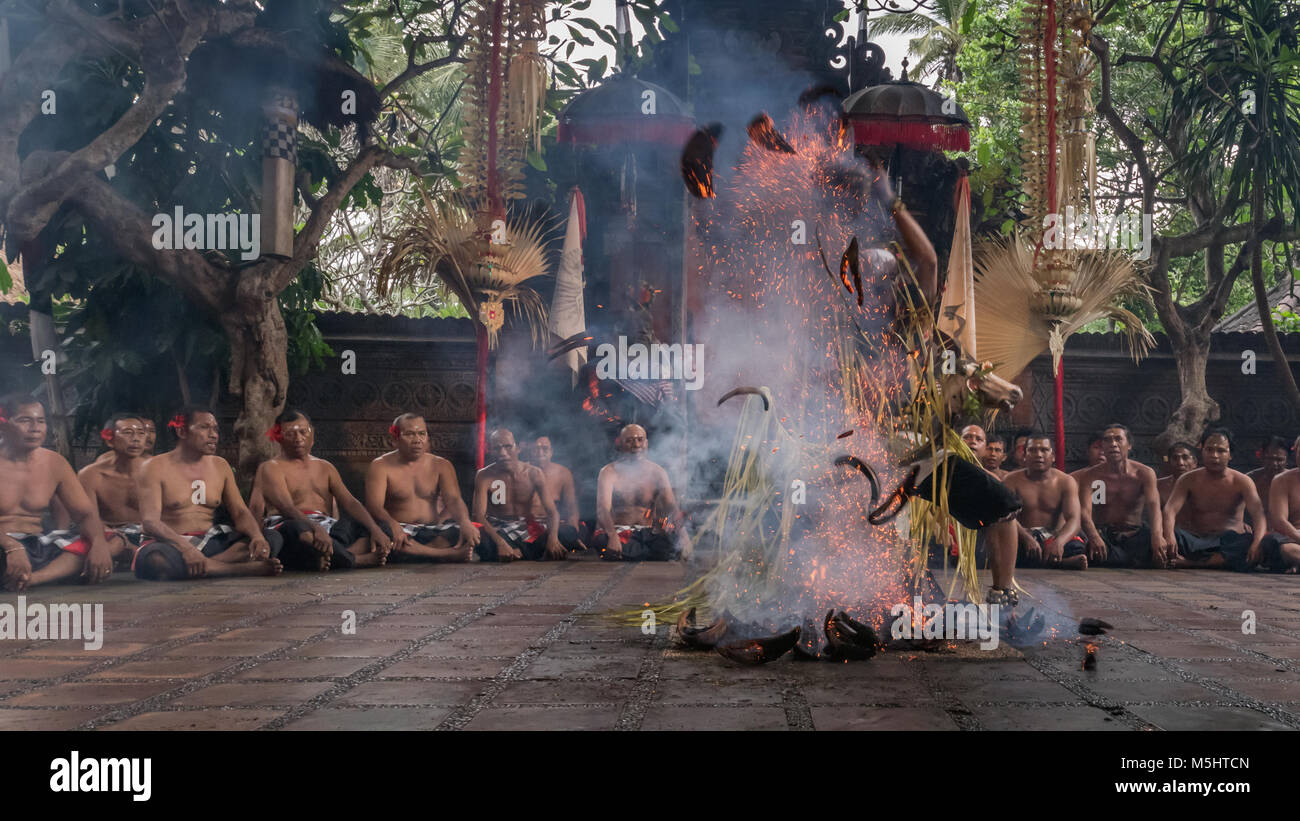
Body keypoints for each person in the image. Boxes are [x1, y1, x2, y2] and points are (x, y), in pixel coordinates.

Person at [133, 408, 281, 580]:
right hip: (171, 543)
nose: (214, 435)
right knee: (156, 561)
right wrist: (187, 549)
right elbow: (151, 522)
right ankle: (234, 569)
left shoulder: (220, 465)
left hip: (211, 541)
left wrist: (257, 537)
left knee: (272, 537)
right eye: (204, 428)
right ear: (181, 431)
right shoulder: (153, 467)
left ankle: (205, 566)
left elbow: (240, 512)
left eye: (215, 429)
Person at [250, 409, 393, 570]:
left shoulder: (326, 467)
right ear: (279, 437)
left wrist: (374, 529)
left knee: (382, 528)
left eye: (303, 432)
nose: (298, 439)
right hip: (293, 525)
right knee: (301, 532)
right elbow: (287, 507)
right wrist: (315, 528)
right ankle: (355, 560)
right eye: (290, 434)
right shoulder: (271, 467)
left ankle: (333, 556)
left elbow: (350, 502)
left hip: (328, 529)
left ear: (312, 433)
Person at [0, 395, 117, 590]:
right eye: (24, 420)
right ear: (3, 425)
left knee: (110, 540)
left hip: (37, 546)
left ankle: (33, 579)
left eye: (40, 421)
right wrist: (12, 545)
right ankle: (30, 575)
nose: (35, 428)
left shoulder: (54, 462)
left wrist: (98, 544)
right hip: (3, 546)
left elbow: (84, 514)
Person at [364, 413, 480, 562]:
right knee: (379, 536)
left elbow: (453, 499)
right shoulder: (380, 465)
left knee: (470, 532)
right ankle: (447, 554)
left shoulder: (441, 465)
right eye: (410, 434)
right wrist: (393, 525)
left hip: (432, 529)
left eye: (422, 434)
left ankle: (418, 553)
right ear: (395, 439)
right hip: (399, 529)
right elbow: (374, 506)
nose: (417, 440)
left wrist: (465, 522)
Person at [1163, 428, 1267, 571]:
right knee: (1155, 534)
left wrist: (1257, 542)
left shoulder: (1243, 481)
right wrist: (1169, 535)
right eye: (1209, 450)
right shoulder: (1188, 479)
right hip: (1195, 541)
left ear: (1230, 454)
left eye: (1221, 451)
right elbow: (1170, 510)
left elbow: (1258, 515)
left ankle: (1193, 564)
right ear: (1202, 451)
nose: (1214, 456)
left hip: (1229, 543)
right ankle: (1204, 560)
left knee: (1251, 542)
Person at [1074, 423, 1168, 567]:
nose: (1113, 444)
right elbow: (1084, 512)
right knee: (1078, 545)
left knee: (1173, 540)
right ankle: (1131, 559)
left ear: (1129, 445)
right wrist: (1094, 537)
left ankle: (1126, 558)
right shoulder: (1090, 475)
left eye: (1118, 439)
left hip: (1135, 534)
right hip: (1105, 535)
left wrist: (1156, 536)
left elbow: (1154, 508)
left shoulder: (1144, 473)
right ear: (1103, 446)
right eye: (1107, 440)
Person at [593, 425, 690, 561]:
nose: (636, 444)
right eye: (630, 440)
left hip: (647, 533)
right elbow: (603, 510)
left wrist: (683, 534)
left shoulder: (657, 472)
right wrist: (613, 536)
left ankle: (641, 552)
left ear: (646, 443)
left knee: (673, 543)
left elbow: (671, 506)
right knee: (603, 541)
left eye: (640, 439)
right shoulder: (608, 472)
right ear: (620, 444)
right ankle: (641, 552)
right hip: (618, 531)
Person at [472, 429, 565, 562]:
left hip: (527, 527)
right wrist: (500, 543)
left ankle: (514, 552)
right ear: (491, 450)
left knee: (568, 534)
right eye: (497, 448)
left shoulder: (534, 473)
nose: (503, 453)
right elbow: (478, 516)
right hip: (498, 528)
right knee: (479, 539)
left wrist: (553, 538)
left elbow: (552, 512)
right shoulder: (484, 475)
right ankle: (522, 551)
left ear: (518, 448)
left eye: (508, 447)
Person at [76, 413, 150, 567]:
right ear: (110, 440)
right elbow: (89, 518)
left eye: (141, 433)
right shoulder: (90, 475)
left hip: (148, 533)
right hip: (108, 534)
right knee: (91, 546)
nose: (135, 438)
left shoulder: (155, 470)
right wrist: (104, 541)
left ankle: (134, 554)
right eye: (128, 433)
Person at [1003, 434, 1087, 569]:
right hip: (1022, 535)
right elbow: (1005, 515)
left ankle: (1049, 559)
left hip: (1052, 536)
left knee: (1075, 546)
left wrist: (1059, 542)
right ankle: (1059, 563)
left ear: (1053, 456)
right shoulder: (1011, 480)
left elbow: (1074, 520)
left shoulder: (1065, 481)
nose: (1039, 455)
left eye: (1044, 450)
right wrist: (1027, 538)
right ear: (1024, 455)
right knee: (1005, 547)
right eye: (1032, 450)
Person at [530, 436, 584, 549]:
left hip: (554, 527)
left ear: (551, 452)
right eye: (536, 449)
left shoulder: (563, 473)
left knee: (570, 532)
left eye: (545, 448)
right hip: (528, 527)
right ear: (531, 451)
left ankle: (545, 545)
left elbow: (572, 509)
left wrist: (574, 535)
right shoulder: (522, 471)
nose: (540, 453)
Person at [1264, 434, 1300, 573]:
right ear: (1295, 450)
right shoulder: (1281, 480)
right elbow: (1279, 521)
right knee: (1281, 546)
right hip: (1291, 539)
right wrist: (1297, 536)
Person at [1246, 435, 1289, 521]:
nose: (1274, 464)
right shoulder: (1250, 480)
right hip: (1254, 529)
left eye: (1279, 460)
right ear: (1262, 457)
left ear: (1287, 460)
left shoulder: (1294, 480)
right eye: (1269, 458)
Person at [1157, 441, 1198, 507]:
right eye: (1175, 458)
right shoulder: (1158, 485)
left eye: (1185, 458)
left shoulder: (1205, 485)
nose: (1180, 463)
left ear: (1195, 462)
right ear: (1169, 462)